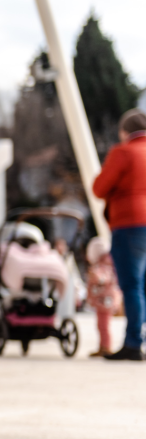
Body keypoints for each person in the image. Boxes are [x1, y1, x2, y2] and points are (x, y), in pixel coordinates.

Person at [92, 108, 146, 360]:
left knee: (132, 285)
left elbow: (99, 187)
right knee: (143, 286)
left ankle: (134, 344)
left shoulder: (123, 152)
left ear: (125, 131)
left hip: (130, 223)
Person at [85, 237, 121, 357]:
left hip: (105, 301)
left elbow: (103, 277)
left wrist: (94, 275)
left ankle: (106, 347)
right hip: (103, 301)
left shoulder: (103, 265)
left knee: (103, 326)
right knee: (101, 325)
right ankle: (102, 346)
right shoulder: (109, 262)